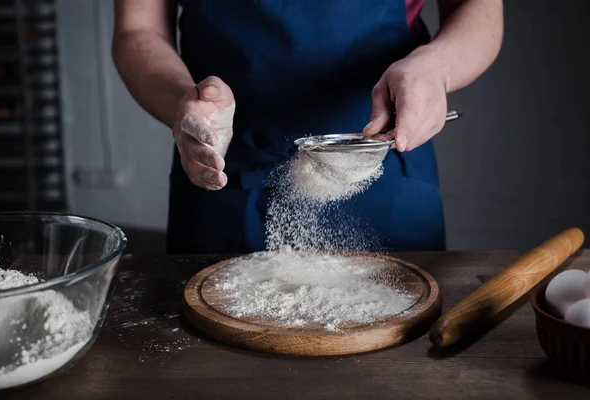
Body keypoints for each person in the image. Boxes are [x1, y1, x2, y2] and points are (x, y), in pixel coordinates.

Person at [112, 0, 503, 254]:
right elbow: (139, 29)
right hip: (224, 172)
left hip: (378, 161)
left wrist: (435, 67)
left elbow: (479, 12)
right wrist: (186, 103)